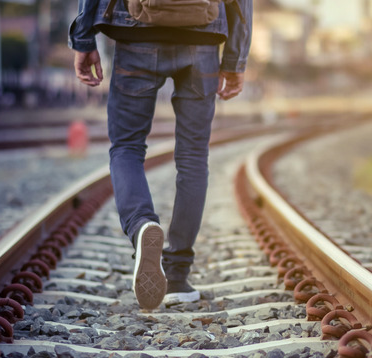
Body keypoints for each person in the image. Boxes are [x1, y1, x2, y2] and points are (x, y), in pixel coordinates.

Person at [69, 0, 252, 309]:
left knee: (126, 147)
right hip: (203, 36)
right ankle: (177, 277)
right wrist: (235, 58)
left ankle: (142, 225)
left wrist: (84, 38)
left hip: (137, 32)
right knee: (194, 156)